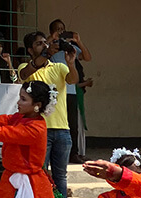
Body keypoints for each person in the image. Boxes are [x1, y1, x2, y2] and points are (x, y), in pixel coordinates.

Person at [17, 31, 81, 198]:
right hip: (38, 130)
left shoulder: (60, 67)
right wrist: (45, 54)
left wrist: (71, 62)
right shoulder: (26, 67)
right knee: (40, 173)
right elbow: (23, 75)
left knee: (60, 174)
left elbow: (73, 80)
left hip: (62, 128)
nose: (44, 46)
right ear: (30, 50)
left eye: (46, 42)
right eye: (39, 44)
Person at [48, 19, 93, 163]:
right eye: (58, 29)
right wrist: (52, 39)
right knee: (57, 123)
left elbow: (87, 57)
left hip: (71, 91)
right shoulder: (50, 46)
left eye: (63, 29)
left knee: (72, 124)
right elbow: (42, 54)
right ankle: (57, 153)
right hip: (55, 91)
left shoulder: (69, 47)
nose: (61, 32)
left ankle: (73, 153)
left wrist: (78, 41)